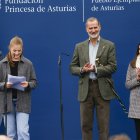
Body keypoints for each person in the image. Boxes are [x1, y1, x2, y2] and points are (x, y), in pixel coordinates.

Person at [70, 17, 117, 140]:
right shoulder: (79, 46)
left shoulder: (109, 45)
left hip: (103, 89)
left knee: (103, 126)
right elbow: (72, 67)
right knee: (85, 126)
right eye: (90, 28)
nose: (93, 30)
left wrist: (96, 69)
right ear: (86, 29)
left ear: (100, 27)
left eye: (95, 27)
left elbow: (113, 67)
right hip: (85, 89)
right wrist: (82, 69)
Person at [0, 36, 37, 140]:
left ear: (22, 49)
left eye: (19, 50)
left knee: (23, 132)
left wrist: (28, 84)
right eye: (14, 51)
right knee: (10, 134)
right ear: (9, 48)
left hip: (23, 102)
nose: (17, 53)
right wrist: (4, 85)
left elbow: (34, 82)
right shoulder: (2, 64)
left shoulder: (28, 64)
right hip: (7, 103)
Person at [125, 43, 140, 140]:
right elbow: (127, 85)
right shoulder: (132, 65)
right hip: (137, 107)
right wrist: (137, 79)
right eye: (139, 49)